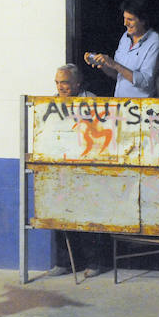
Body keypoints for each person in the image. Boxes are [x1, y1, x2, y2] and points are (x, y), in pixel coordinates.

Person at [48, 64, 106, 278]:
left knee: (88, 215)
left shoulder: (91, 100)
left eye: (64, 82)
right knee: (59, 213)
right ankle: (65, 262)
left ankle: (94, 262)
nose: (60, 87)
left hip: (86, 165)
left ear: (77, 83)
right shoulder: (51, 102)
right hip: (60, 166)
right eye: (57, 82)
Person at [84, 0, 159, 98]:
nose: (125, 23)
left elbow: (145, 81)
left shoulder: (155, 41)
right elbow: (117, 74)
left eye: (130, 19)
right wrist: (103, 64)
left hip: (141, 107)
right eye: (124, 18)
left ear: (143, 20)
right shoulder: (125, 37)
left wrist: (114, 64)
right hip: (120, 104)